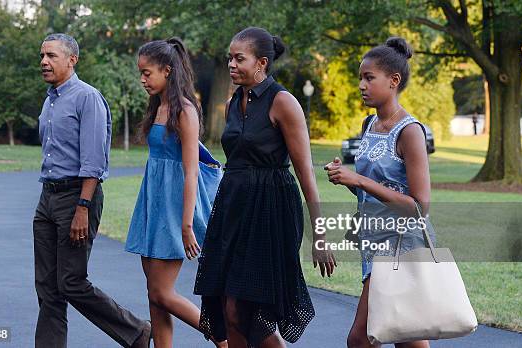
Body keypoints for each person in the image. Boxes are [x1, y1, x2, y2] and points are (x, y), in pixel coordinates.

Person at [194, 27, 336, 348]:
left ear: (261, 63)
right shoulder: (233, 100)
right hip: (233, 207)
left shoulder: (283, 102)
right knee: (228, 309)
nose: (231, 64)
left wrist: (320, 236)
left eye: (238, 58)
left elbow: (306, 176)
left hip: (270, 210)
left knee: (247, 309)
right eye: (229, 57)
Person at [33, 33, 151, 347]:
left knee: (71, 282)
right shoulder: (50, 99)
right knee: (47, 288)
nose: (44, 62)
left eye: (52, 56)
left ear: (72, 60)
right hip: (48, 196)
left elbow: (94, 159)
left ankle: (136, 331)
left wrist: (82, 207)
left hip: (77, 197)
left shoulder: (87, 97)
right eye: (42, 56)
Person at [325, 37, 434, 348]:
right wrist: (347, 180)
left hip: (400, 243)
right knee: (402, 332)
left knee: (361, 338)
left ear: (393, 81)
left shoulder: (411, 132)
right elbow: (375, 193)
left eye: (369, 77)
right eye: (360, 77)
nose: (361, 85)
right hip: (372, 239)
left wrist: (359, 181)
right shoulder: (368, 124)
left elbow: (419, 207)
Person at [124, 37, 226, 348]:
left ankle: (224, 339)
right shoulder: (158, 105)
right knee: (154, 296)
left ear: (167, 70)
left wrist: (185, 224)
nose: (142, 79)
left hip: (173, 207)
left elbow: (191, 170)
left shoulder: (184, 109)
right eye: (140, 73)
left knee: (162, 292)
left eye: (147, 73)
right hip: (152, 204)